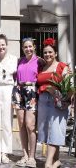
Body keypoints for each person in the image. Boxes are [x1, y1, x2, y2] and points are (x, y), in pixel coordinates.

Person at [36, 38, 69, 168]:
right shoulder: (42, 67)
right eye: (45, 53)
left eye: (50, 52)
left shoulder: (62, 66)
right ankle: (56, 161)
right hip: (43, 100)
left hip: (57, 100)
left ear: (55, 53)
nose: (47, 55)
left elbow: (68, 85)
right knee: (46, 130)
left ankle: (48, 163)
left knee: (55, 129)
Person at [13, 38, 44, 168]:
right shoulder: (20, 61)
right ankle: (24, 154)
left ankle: (32, 157)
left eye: (30, 46)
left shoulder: (40, 61)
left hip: (32, 91)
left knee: (30, 125)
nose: (28, 49)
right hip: (19, 91)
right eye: (25, 47)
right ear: (23, 48)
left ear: (34, 47)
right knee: (21, 123)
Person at [0, 34, 17, 164]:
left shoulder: (13, 59)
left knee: (7, 121)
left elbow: (16, 77)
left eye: (2, 44)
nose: (1, 47)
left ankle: (5, 152)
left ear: (6, 45)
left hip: (8, 89)